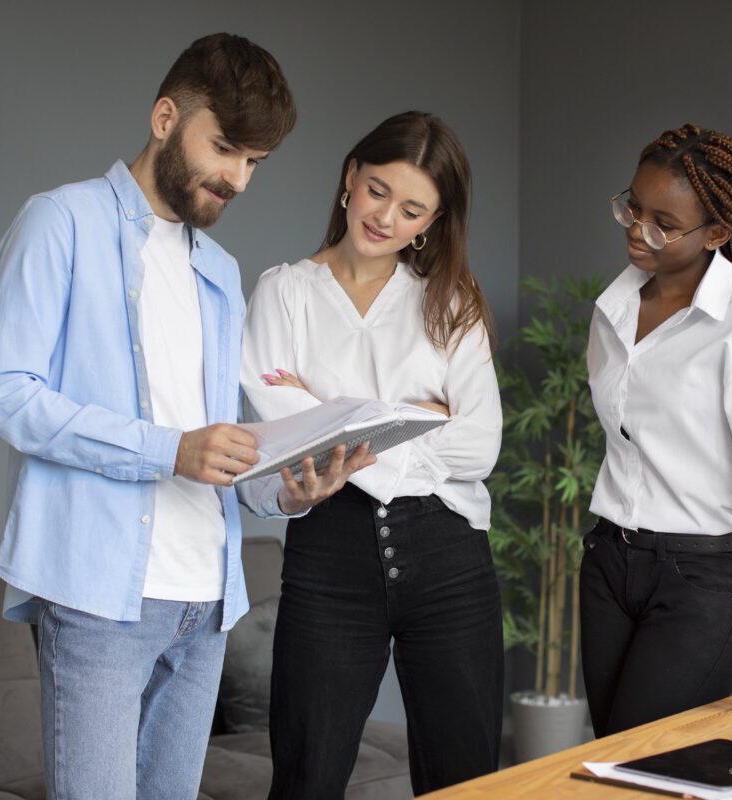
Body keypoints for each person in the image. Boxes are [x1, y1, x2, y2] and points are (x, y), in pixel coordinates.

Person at [0, 33, 373, 799]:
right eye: (225, 148)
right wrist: (170, 451)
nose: (238, 179)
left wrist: (289, 489)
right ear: (165, 117)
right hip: (100, 601)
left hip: (209, 601)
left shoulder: (218, 271)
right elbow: (7, 393)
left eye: (254, 162)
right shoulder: (61, 223)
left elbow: (213, 444)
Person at [240, 110, 504, 797]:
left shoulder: (452, 303)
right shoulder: (285, 293)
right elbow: (270, 449)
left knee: (466, 782)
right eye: (379, 190)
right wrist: (418, 420)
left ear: (433, 222)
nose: (387, 217)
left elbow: (478, 448)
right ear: (350, 179)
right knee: (306, 777)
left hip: (451, 560)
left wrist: (326, 413)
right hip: (330, 558)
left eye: (413, 208)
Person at [580, 123, 732, 736]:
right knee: (610, 758)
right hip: (609, 561)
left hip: (702, 579)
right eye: (633, 207)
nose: (637, 230)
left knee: (648, 761)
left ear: (716, 232)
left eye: (662, 221)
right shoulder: (614, 307)